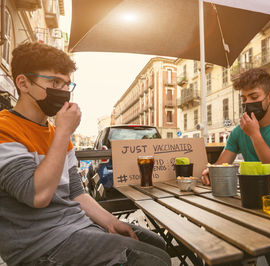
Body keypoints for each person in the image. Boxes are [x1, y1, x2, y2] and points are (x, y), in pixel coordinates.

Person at [0, 42, 170, 266]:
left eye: (66, 84)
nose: (63, 91)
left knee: (157, 244)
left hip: (75, 227)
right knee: (153, 261)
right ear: (23, 83)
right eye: (54, 82)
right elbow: (37, 196)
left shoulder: (57, 134)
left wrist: (110, 222)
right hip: (40, 244)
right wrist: (63, 132)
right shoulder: (6, 129)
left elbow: (76, 193)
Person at [201, 68, 270, 185]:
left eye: (254, 97)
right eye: (244, 99)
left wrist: (254, 135)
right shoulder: (239, 131)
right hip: (250, 192)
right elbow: (222, 164)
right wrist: (212, 171)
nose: (247, 103)